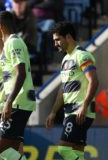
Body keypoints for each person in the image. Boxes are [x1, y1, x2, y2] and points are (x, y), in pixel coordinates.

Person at [46, 21, 99, 160]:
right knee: (78, 152)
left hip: (80, 110)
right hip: (70, 110)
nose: (55, 43)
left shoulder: (82, 55)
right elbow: (63, 88)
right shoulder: (65, 59)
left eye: (58, 39)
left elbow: (94, 81)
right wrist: (53, 112)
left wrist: (84, 106)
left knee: (63, 149)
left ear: (68, 37)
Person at [0, 11, 36, 160]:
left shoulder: (13, 42)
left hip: (18, 102)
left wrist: (9, 102)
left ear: (0, 26)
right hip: (16, 101)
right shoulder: (7, 45)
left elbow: (21, 73)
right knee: (12, 150)